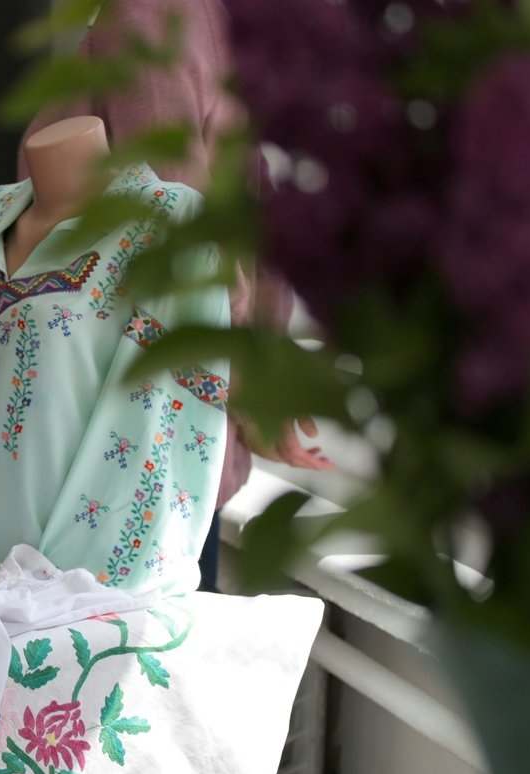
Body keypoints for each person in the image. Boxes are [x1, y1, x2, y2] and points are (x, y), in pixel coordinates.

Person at [19, 0, 335, 593]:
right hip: (141, 446)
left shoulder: (215, 25)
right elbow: (183, 241)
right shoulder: (161, 15)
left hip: (155, 435)